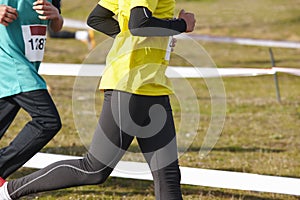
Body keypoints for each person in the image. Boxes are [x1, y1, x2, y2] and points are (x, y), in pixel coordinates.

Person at [0, 0, 195, 199]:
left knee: (167, 175)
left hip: (155, 85)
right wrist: (181, 25)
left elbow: (97, 18)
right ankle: (8, 191)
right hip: (130, 85)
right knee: (94, 169)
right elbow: (139, 23)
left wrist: (152, 37)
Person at [0, 0, 63, 187]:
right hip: (10, 62)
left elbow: (56, 27)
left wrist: (57, 16)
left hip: (27, 63)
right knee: (48, 120)